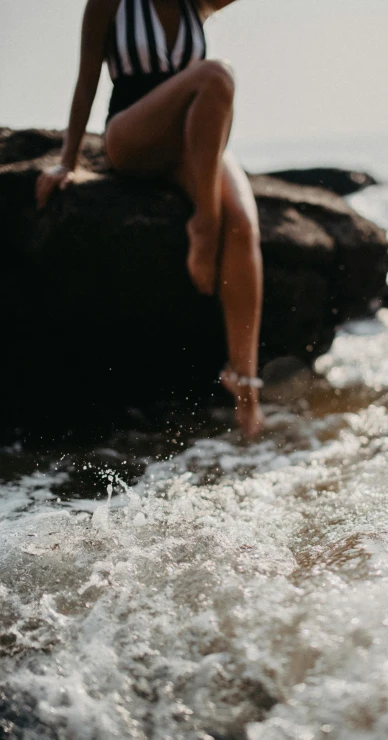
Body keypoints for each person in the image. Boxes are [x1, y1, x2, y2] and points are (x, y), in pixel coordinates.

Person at [35, 0, 264, 439]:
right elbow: (86, 83)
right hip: (133, 135)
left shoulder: (197, 2)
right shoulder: (110, 4)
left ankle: (246, 389)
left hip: (193, 146)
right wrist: (67, 162)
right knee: (216, 73)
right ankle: (204, 227)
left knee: (245, 226)